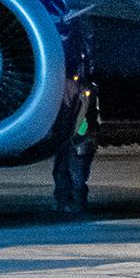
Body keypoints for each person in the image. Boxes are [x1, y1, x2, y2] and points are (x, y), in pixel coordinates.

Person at [52, 82, 99, 213]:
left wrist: (80, 134)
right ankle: (63, 202)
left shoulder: (87, 92)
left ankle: (77, 203)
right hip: (66, 138)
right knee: (60, 171)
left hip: (79, 140)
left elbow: (88, 118)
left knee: (76, 174)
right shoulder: (60, 92)